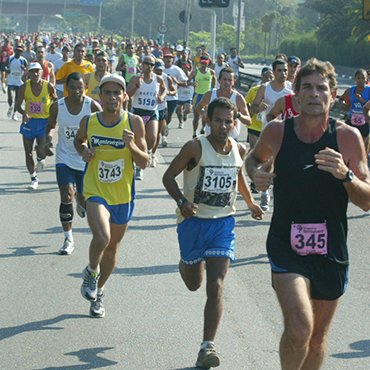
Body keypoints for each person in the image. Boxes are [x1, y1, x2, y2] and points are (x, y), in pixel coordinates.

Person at [245, 58, 370, 370]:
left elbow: (366, 201)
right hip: (286, 245)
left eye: (321, 88)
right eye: (307, 88)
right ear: (296, 97)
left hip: (331, 249)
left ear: (331, 95)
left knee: (316, 338)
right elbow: (253, 160)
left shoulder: (347, 138)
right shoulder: (278, 131)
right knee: (300, 326)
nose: (314, 94)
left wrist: (346, 176)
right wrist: (257, 173)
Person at [163, 97, 263, 369]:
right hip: (193, 224)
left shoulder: (238, 149)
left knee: (216, 284)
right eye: (217, 120)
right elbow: (168, 177)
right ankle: (185, 264)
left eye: (227, 121)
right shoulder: (195, 147)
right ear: (208, 121)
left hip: (223, 223)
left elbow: (237, 175)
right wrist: (182, 203)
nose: (222, 126)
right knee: (194, 282)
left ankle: (207, 347)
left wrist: (250, 202)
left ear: (234, 123)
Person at [75, 75, 148, 318]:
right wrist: (84, 150)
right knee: (102, 236)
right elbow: (79, 141)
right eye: (107, 92)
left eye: (117, 92)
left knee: (112, 248)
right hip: (95, 188)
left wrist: (132, 146)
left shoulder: (134, 122)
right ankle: (91, 270)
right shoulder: (90, 120)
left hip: (122, 194)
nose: (112, 97)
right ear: (100, 96)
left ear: (125, 96)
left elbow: (144, 162)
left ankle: (100, 291)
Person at [46, 72, 102, 255]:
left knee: (83, 199)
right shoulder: (58, 106)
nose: (77, 91)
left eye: (80, 88)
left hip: (86, 160)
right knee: (65, 194)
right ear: (65, 89)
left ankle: (80, 199)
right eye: (73, 88)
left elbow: (103, 126)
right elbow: (51, 125)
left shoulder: (92, 106)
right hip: (64, 157)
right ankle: (68, 238)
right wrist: (48, 139)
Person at [250, 59, 293, 211]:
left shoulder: (290, 89)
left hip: (286, 134)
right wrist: (258, 107)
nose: (283, 74)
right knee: (267, 164)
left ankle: (281, 196)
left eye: (285, 71)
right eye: (280, 70)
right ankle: (264, 194)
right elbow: (252, 109)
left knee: (283, 165)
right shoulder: (265, 88)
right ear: (273, 72)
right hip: (268, 133)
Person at [15, 62, 57, 189]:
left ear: (41, 72)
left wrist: (53, 116)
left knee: (42, 151)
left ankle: (40, 158)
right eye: (32, 71)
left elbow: (55, 102)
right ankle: (33, 178)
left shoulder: (48, 86)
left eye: (37, 71)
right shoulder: (24, 87)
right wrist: (24, 112)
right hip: (29, 123)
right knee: (28, 153)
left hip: (44, 122)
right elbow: (17, 106)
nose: (35, 74)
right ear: (28, 73)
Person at [127, 55, 166, 179]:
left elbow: (164, 89)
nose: (149, 66)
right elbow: (127, 94)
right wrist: (135, 87)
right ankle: (138, 166)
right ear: (142, 64)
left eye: (151, 64)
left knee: (152, 138)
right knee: (137, 140)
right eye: (147, 63)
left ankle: (147, 153)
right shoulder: (135, 78)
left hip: (151, 112)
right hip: (137, 112)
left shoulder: (158, 79)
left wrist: (161, 96)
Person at [196, 66, 251, 139]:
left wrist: (238, 115)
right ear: (219, 80)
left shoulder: (238, 98)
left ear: (234, 82)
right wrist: (205, 114)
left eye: (230, 80)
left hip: (231, 138)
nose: (227, 82)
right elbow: (198, 107)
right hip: (211, 137)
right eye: (224, 79)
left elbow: (248, 121)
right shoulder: (210, 94)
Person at [245, 67, 274, 193]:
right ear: (261, 77)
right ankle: (254, 180)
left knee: (266, 157)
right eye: (266, 76)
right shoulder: (254, 90)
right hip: (254, 126)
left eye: (270, 77)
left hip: (267, 128)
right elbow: (247, 106)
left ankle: (262, 178)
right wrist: (255, 109)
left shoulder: (275, 92)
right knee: (255, 153)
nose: (268, 79)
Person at [187, 55, 217, 138]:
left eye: (205, 63)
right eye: (202, 63)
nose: (204, 65)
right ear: (200, 62)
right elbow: (187, 82)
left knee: (206, 115)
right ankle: (194, 132)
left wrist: (213, 92)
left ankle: (203, 128)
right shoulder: (195, 71)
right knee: (196, 116)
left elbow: (214, 83)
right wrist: (192, 83)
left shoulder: (211, 72)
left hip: (207, 96)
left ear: (208, 63)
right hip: (198, 96)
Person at [339, 69, 370, 143]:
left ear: (366, 79)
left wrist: (361, 99)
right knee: (346, 142)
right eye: (358, 78)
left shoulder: (369, 91)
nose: (360, 80)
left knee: (363, 145)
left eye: (363, 78)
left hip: (365, 122)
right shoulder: (350, 90)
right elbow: (340, 98)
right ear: (355, 79)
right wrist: (342, 104)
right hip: (352, 120)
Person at [6, 45, 28, 121]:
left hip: (19, 81)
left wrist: (24, 69)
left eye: (20, 51)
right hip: (11, 80)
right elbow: (5, 67)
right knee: (10, 96)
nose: (18, 52)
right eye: (17, 51)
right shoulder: (10, 58)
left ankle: (14, 114)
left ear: (21, 53)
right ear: (15, 51)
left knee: (17, 99)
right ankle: (10, 106)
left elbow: (27, 70)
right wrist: (7, 70)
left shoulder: (23, 60)